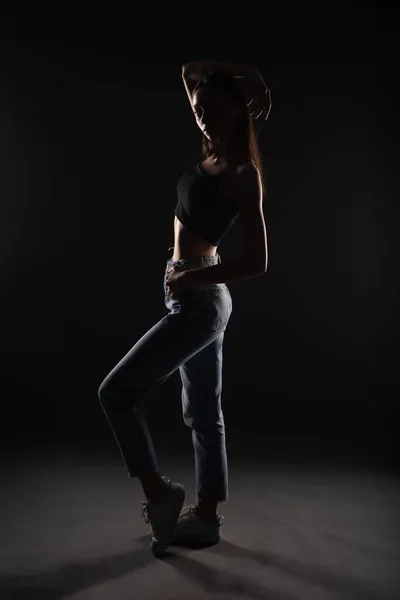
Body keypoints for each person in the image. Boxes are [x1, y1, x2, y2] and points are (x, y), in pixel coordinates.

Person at [98, 60, 271, 556]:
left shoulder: (242, 173)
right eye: (198, 110)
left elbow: (258, 261)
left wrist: (193, 275)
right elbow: (187, 69)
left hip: (200, 299)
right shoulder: (212, 151)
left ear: (239, 112)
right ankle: (208, 519)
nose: (202, 117)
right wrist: (247, 73)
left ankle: (161, 496)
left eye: (214, 109)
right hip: (192, 294)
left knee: (116, 394)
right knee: (203, 412)